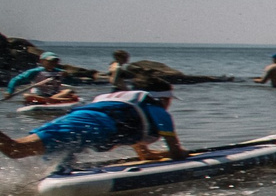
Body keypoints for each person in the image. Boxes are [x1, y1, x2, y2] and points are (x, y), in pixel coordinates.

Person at [0, 87, 185, 163]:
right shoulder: (159, 112)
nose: (169, 104)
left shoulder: (132, 109)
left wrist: (162, 155)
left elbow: (145, 154)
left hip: (80, 119)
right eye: (169, 100)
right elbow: (177, 154)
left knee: (19, 149)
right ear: (163, 99)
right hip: (91, 125)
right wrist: (191, 158)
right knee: (15, 150)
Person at [4, 53, 79, 104]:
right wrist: (10, 92)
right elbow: (15, 80)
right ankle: (57, 100)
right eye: (50, 61)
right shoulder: (34, 71)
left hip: (56, 94)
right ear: (42, 61)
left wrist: (68, 76)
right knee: (27, 96)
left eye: (55, 61)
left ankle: (52, 100)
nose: (53, 63)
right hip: (39, 95)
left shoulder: (61, 72)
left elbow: (73, 81)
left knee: (68, 91)